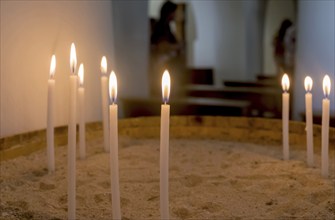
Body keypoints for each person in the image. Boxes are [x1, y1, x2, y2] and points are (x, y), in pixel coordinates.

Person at [149, 0, 185, 98]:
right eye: (174, 12)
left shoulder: (167, 26)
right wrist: (178, 46)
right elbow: (162, 46)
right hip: (163, 66)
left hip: (169, 65)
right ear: (169, 12)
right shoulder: (161, 26)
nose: (176, 15)